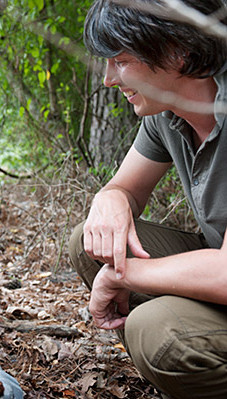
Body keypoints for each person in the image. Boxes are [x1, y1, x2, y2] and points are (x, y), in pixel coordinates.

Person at [68, 1, 227, 398]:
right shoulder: (167, 114)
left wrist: (125, 275)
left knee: (157, 332)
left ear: (177, 50)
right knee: (93, 241)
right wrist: (112, 198)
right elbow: (124, 187)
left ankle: (188, 348)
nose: (107, 79)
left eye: (120, 60)